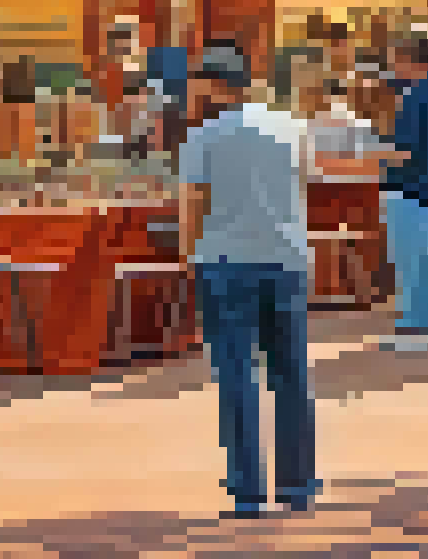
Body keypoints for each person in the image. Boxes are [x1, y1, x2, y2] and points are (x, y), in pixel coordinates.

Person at [178, 43, 318, 518]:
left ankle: (248, 490)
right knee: (291, 375)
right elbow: (302, 187)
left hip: (227, 263)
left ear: (213, 86)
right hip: (286, 260)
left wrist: (188, 257)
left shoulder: (203, 138)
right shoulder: (292, 127)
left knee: (237, 376)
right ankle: (298, 485)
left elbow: (193, 205)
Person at [380, 33, 428, 350]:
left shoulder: (416, 94)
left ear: (410, 59)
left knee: (409, 262)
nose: (393, 65)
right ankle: (420, 323)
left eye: (396, 58)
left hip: (410, 186)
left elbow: (406, 151)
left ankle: (415, 327)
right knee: (421, 262)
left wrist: (371, 153)